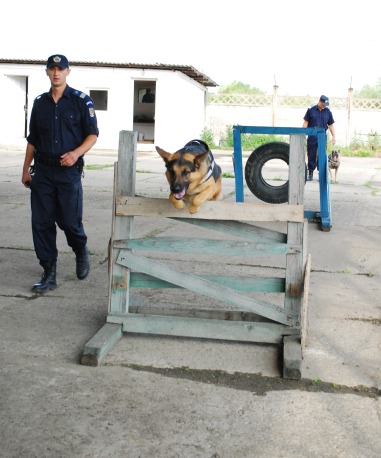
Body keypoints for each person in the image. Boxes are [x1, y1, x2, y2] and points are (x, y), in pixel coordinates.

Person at [22, 54, 99, 293]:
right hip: (43, 172)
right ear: (46, 72)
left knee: (69, 222)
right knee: (41, 223)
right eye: (52, 69)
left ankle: (80, 250)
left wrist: (76, 154)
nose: (56, 73)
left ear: (68, 71)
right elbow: (33, 139)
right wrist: (25, 169)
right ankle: (49, 272)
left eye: (60, 69)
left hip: (68, 173)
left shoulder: (81, 101)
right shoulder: (40, 102)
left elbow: (92, 134)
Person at [302, 95, 336, 181]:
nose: (324, 106)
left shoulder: (328, 112)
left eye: (326, 104)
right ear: (319, 101)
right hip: (312, 136)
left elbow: (331, 125)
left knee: (322, 155)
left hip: (322, 137)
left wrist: (334, 136)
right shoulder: (311, 110)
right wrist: (302, 134)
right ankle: (310, 173)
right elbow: (306, 122)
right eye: (323, 104)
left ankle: (322, 174)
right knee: (311, 154)